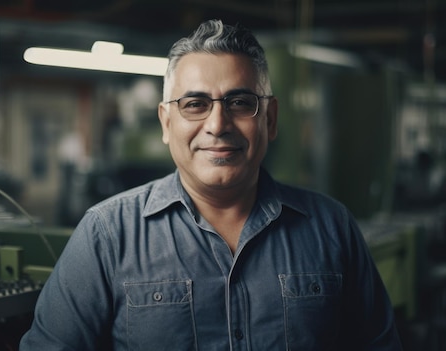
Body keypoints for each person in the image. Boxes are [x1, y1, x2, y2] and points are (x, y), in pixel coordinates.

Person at [20, 19, 403, 350]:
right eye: (195, 104)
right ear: (167, 123)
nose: (218, 125)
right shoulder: (106, 235)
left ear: (269, 119)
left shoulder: (331, 228)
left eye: (239, 102)